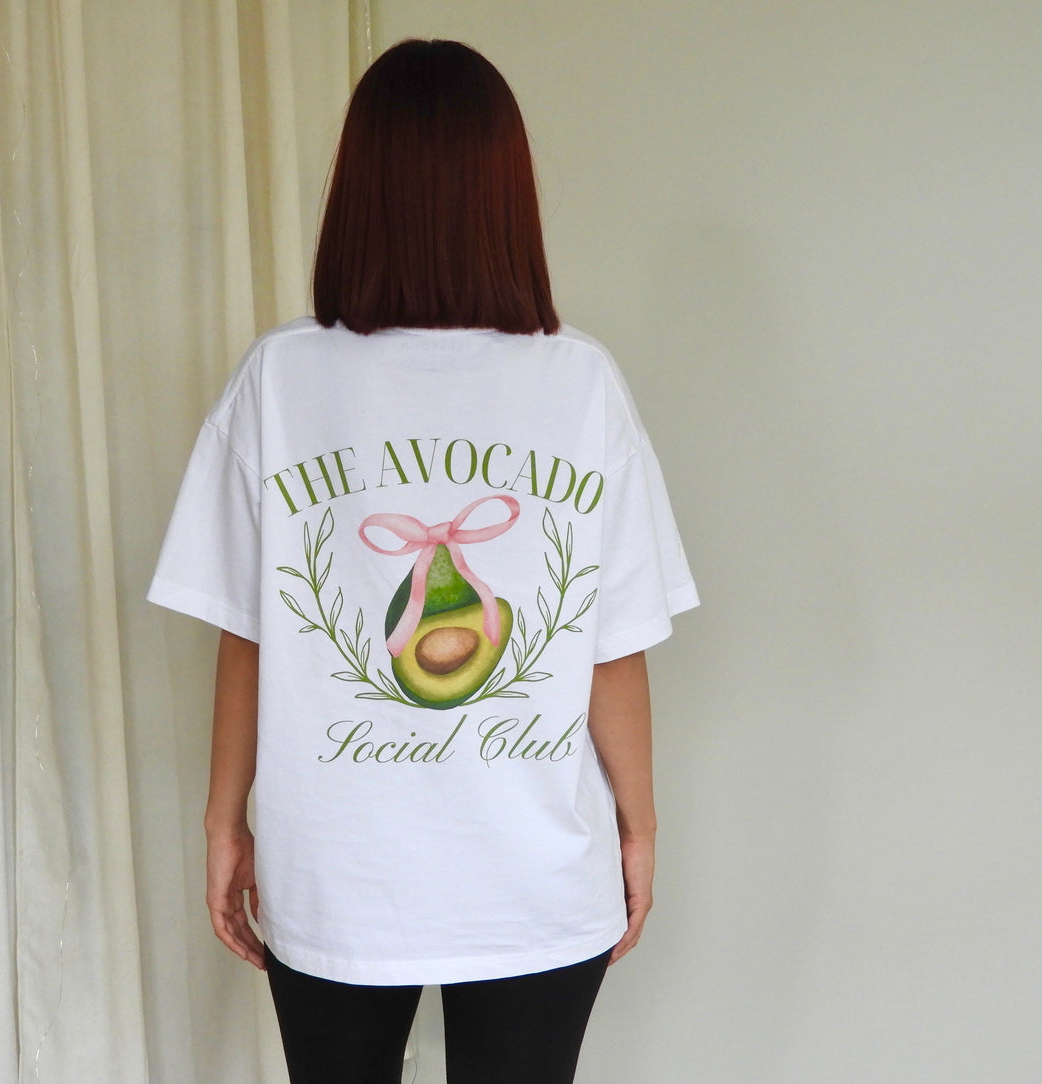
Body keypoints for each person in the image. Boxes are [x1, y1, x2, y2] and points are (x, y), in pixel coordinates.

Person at [148, 38, 698, 1084]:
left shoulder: (280, 378)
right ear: (506, 193)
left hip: (336, 871)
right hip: (535, 870)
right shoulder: (579, 382)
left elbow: (248, 634)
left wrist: (224, 820)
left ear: (357, 190)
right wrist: (638, 827)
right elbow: (610, 644)